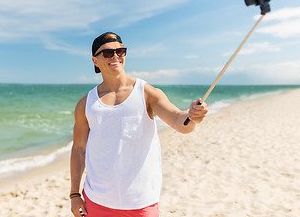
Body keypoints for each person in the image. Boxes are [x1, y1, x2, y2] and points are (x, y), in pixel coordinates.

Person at [70, 32, 208, 217]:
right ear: (95, 61)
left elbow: (178, 121)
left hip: (141, 202)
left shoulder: (147, 92)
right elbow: (79, 149)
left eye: (120, 51)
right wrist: (74, 194)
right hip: (96, 201)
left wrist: (192, 116)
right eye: (108, 53)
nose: (116, 56)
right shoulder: (85, 104)